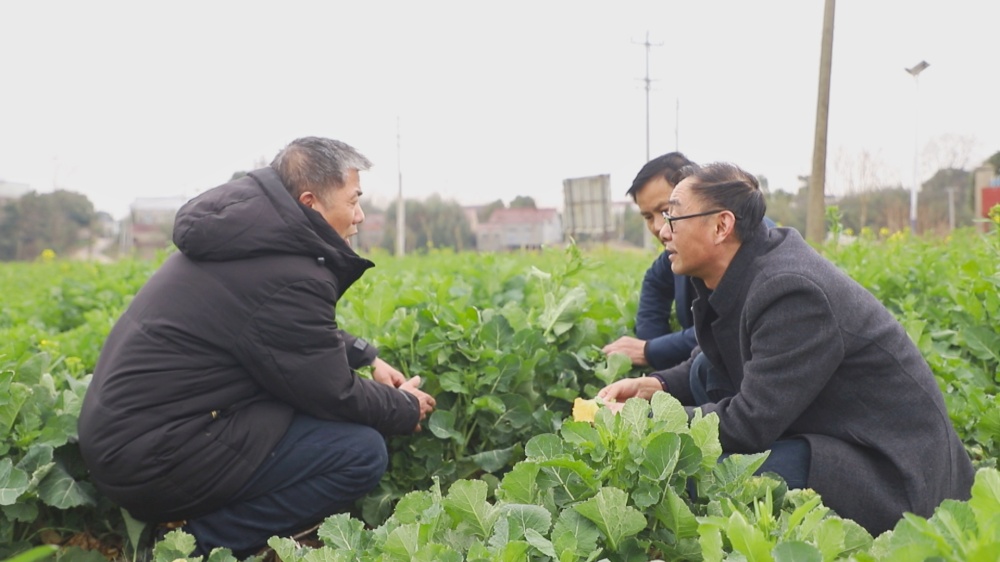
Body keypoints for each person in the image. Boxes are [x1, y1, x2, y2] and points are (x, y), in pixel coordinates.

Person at [77, 137, 436, 556]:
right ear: (311, 202)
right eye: (353, 200)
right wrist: (405, 408)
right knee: (359, 452)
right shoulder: (288, 272)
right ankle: (195, 547)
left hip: (132, 442)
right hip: (155, 463)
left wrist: (366, 355)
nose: (359, 216)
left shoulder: (243, 237)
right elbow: (331, 391)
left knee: (292, 402)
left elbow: (276, 333)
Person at [598, 161, 974, 535]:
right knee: (700, 381)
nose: (662, 232)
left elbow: (748, 424)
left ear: (721, 225)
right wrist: (658, 386)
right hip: (846, 437)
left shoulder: (792, 291)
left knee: (706, 477)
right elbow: (711, 359)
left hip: (897, 477)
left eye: (673, 218)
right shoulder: (746, 267)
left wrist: (645, 421)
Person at [602, 152, 699, 370]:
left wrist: (651, 350)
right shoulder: (677, 251)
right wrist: (651, 349)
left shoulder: (745, 249)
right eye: (647, 217)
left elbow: (726, 331)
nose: (657, 226)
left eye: (665, 211)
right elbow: (655, 282)